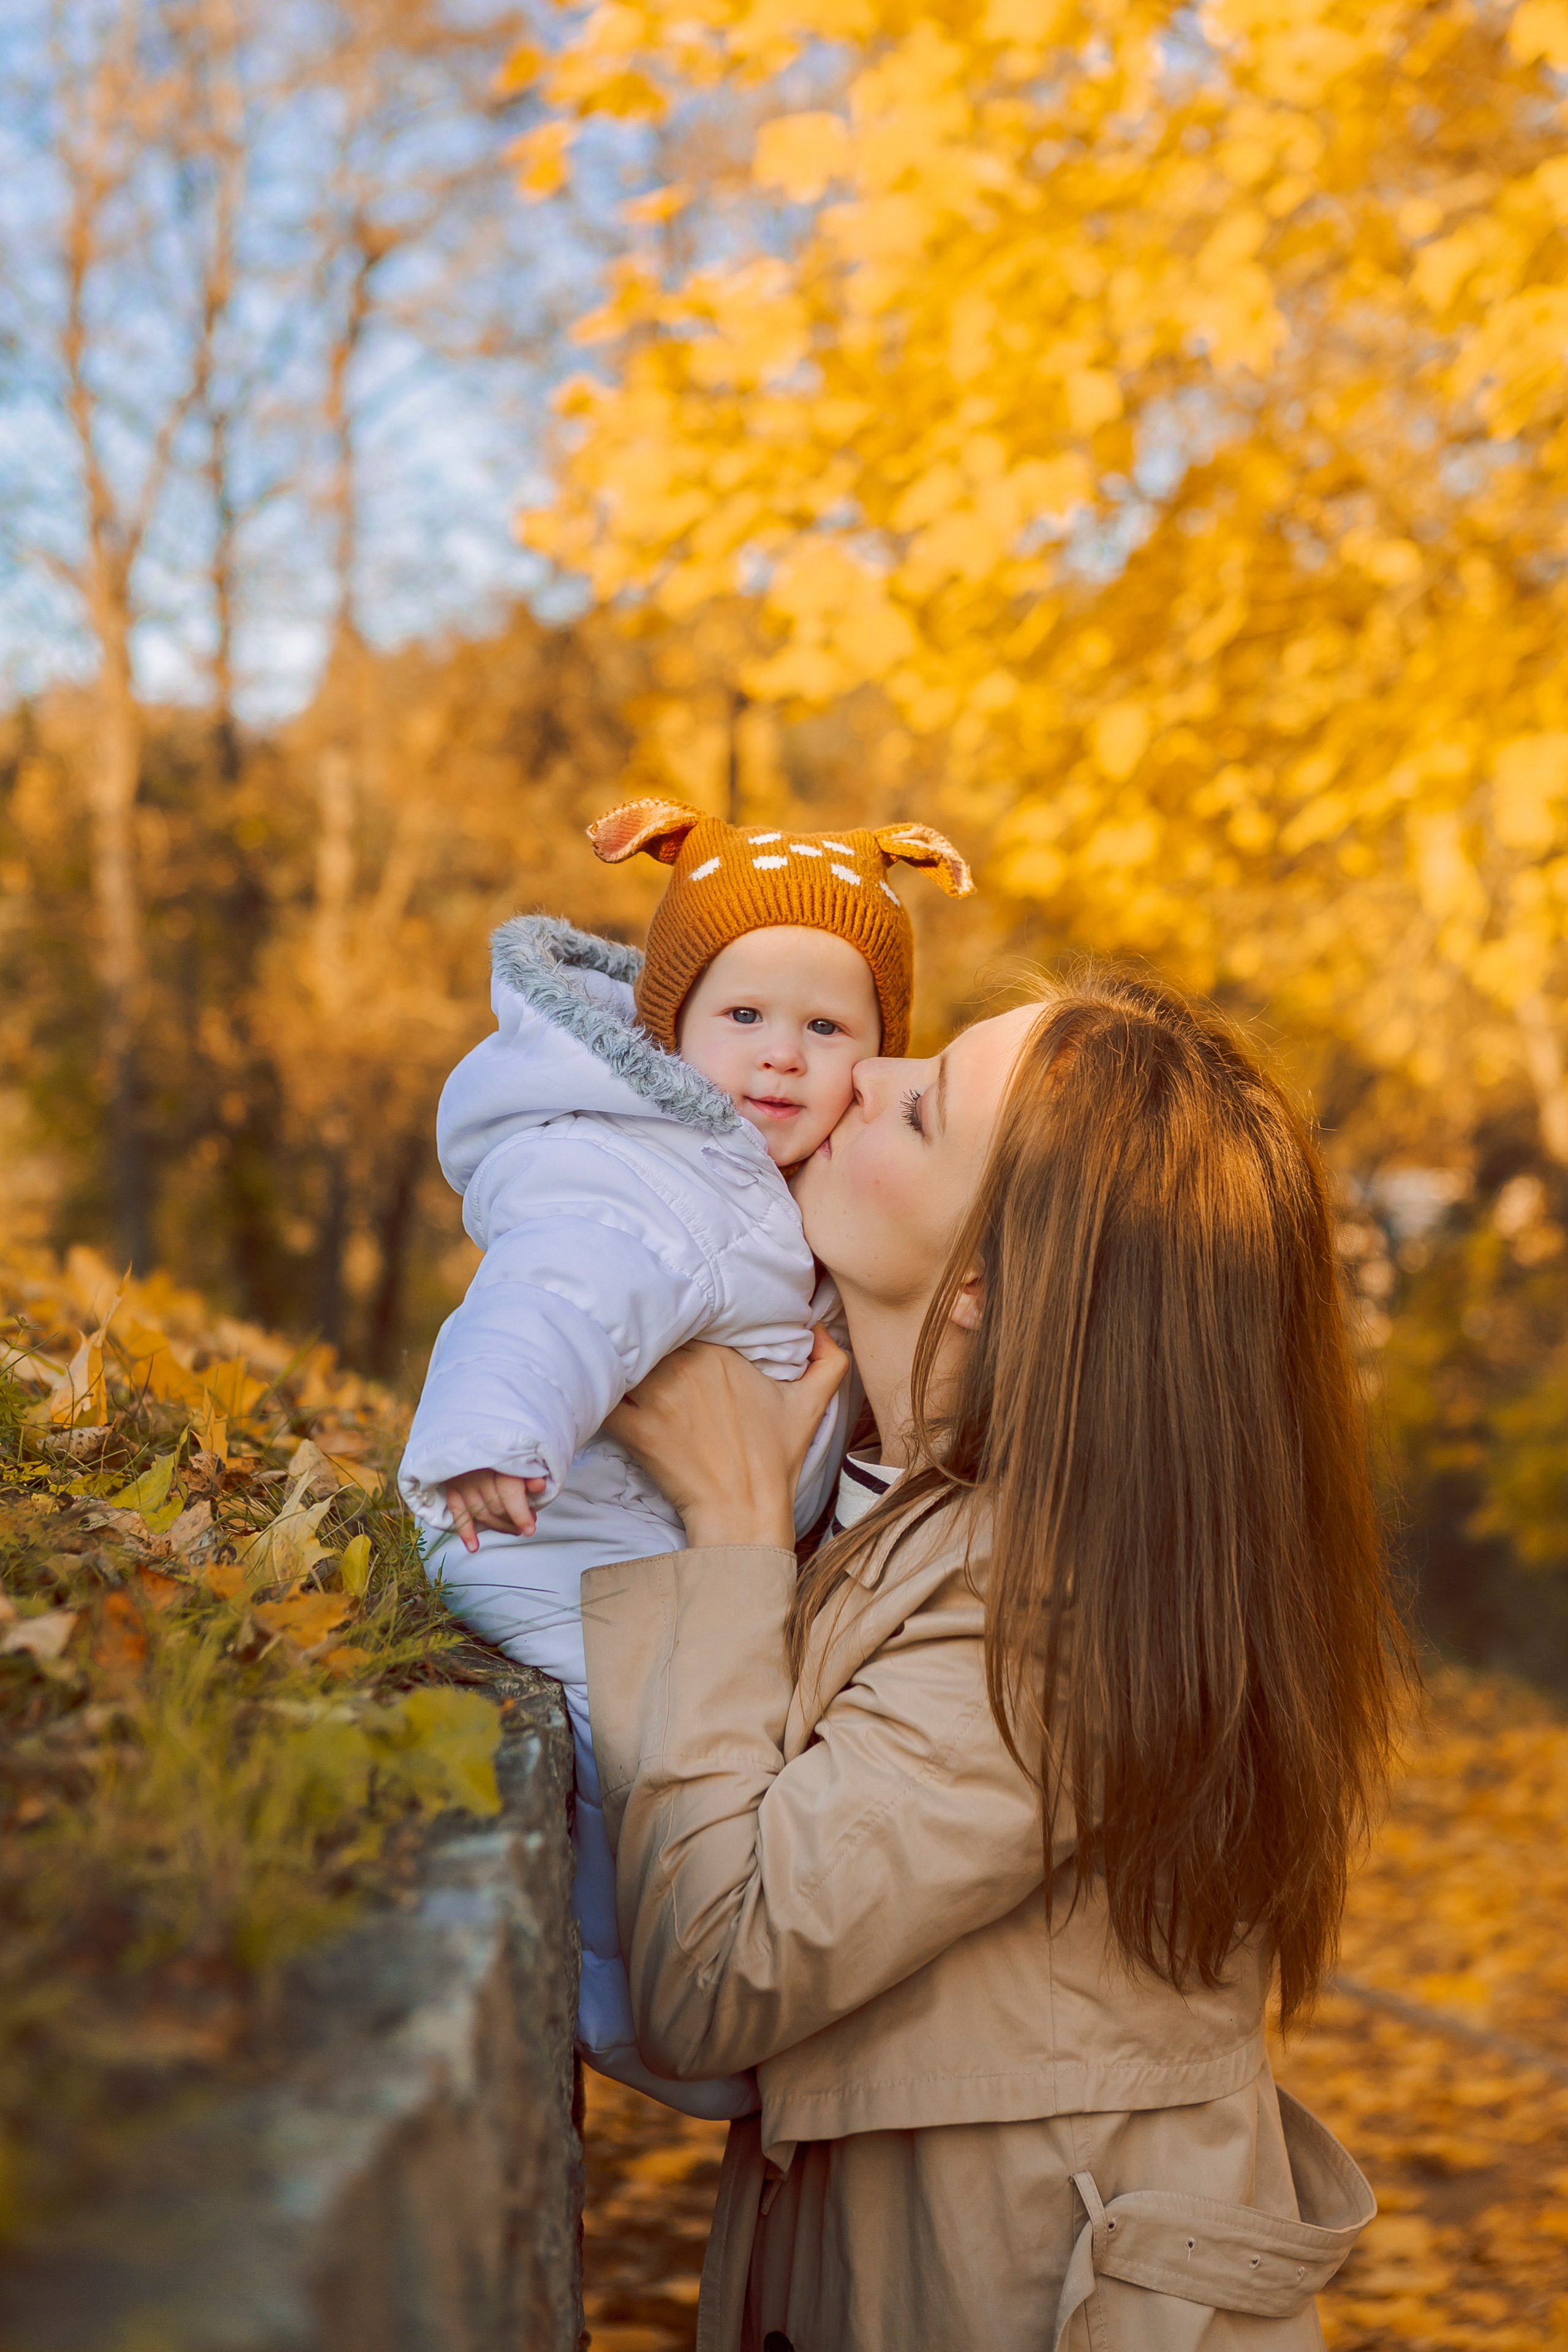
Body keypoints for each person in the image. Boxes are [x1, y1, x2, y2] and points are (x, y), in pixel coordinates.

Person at [592, 969, 1404, 2349]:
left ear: (980, 1283)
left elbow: (712, 1969)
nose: (861, 1075)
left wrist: (726, 1532)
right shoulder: (928, 1506)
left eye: (922, 1111)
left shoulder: (1053, 1615)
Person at [396, 795, 971, 2117]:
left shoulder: (755, 1200)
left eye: (826, 1030)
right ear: (669, 1028)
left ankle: (672, 1996)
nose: (779, 1059)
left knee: (683, 1741)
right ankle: (642, 2011)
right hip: (549, 1540)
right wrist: (492, 1436)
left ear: (876, 1054)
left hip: (643, 1545)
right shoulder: (655, 1181)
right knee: (621, 1747)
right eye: (743, 1019)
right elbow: (554, 1296)